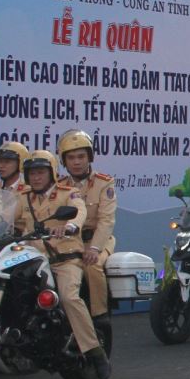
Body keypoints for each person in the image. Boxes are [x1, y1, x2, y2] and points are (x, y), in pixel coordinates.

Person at [16, 149, 110, 379]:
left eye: (40, 172)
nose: (36, 177)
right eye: (31, 173)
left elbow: (79, 212)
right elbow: (1, 216)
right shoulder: (23, 197)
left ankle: (94, 351)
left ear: (52, 173)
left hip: (64, 259)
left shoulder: (69, 193)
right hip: (33, 259)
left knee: (68, 297)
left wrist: (69, 226)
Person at [56, 129, 116, 331]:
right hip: (70, 241)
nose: (77, 162)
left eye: (81, 156)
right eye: (71, 157)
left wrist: (95, 249)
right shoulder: (59, 186)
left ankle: (100, 316)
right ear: (64, 161)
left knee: (92, 266)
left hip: (97, 240)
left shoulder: (103, 182)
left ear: (89, 157)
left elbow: (106, 221)